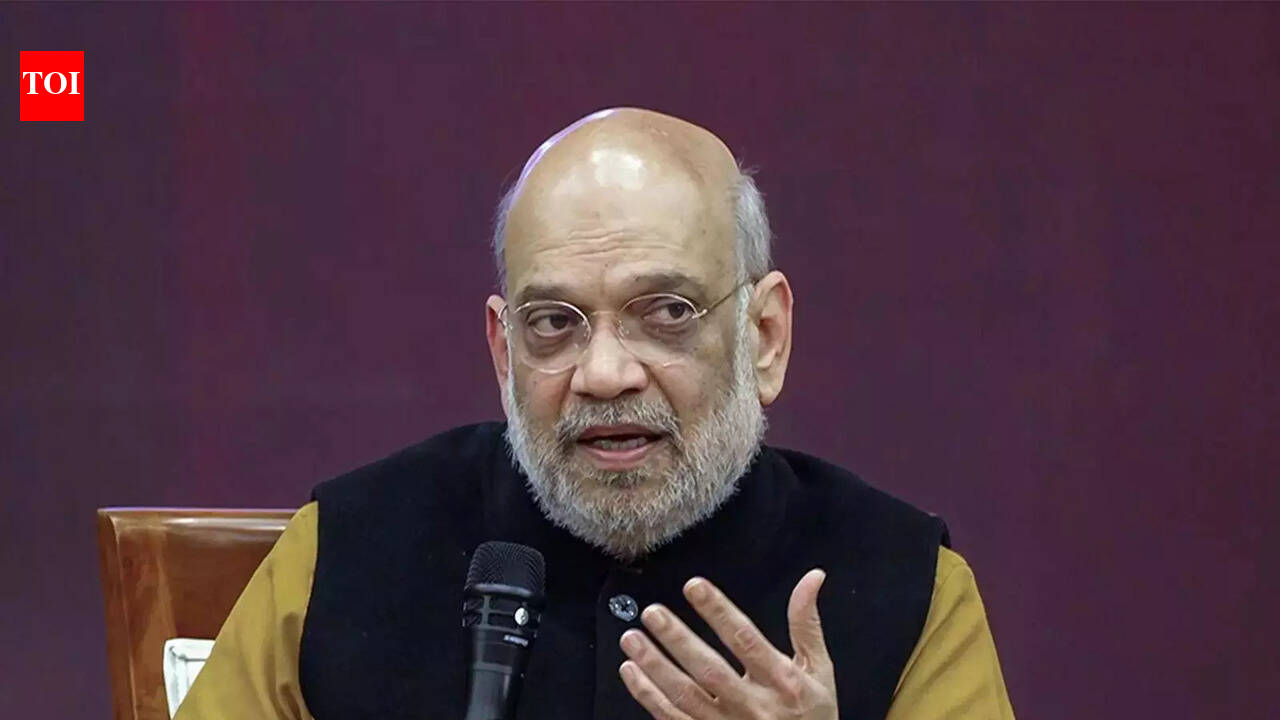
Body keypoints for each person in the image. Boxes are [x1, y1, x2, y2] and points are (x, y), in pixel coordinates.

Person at [174, 108, 1014, 720]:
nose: (604, 374)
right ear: (504, 352)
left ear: (763, 336)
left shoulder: (907, 589)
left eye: (667, 312)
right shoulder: (346, 550)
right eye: (554, 323)